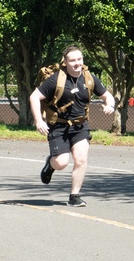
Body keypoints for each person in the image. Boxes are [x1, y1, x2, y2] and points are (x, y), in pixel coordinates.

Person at [29, 45, 116, 207]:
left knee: (81, 158)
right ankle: (50, 165)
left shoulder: (89, 78)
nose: (77, 63)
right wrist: (39, 121)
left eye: (79, 59)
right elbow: (34, 97)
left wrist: (110, 105)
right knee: (61, 162)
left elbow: (107, 96)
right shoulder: (56, 80)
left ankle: (74, 196)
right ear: (66, 62)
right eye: (72, 60)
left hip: (80, 126)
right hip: (58, 126)